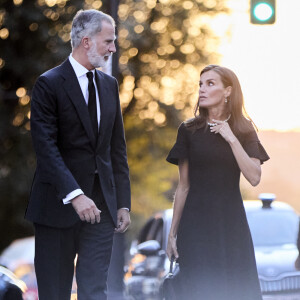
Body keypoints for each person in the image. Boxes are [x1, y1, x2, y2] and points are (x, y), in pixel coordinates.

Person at [25, 9, 131, 300]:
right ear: (86, 41)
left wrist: (123, 202)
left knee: (96, 290)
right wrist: (75, 194)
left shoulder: (110, 86)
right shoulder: (48, 83)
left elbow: (116, 149)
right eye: (108, 41)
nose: (113, 48)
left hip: (102, 208)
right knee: (55, 292)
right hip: (57, 206)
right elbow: (46, 149)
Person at [166, 65, 269, 300]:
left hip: (230, 226)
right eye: (201, 84)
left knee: (234, 290)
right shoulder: (188, 130)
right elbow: (183, 186)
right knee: (198, 290)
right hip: (194, 228)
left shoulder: (244, 130)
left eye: (210, 84)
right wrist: (172, 235)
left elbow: (254, 177)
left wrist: (230, 137)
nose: (202, 89)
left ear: (227, 91)